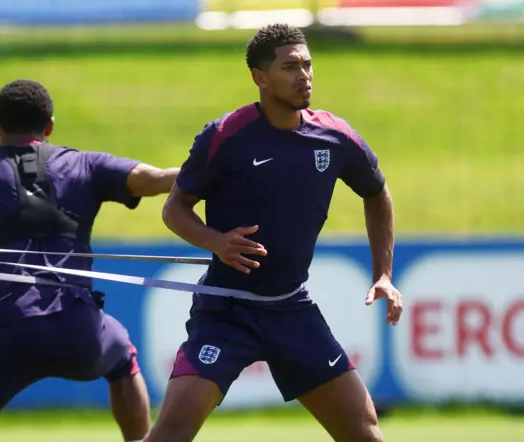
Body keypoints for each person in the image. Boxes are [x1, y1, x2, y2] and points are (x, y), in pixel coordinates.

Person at [148, 24, 403, 442]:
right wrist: (216, 242)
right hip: (226, 313)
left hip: (291, 311)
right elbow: (174, 208)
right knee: (171, 433)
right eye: (290, 67)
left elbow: (378, 195)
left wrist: (384, 274)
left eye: (307, 65)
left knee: (365, 433)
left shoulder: (335, 136)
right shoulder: (225, 135)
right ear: (260, 77)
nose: (304, 76)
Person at [0, 79, 179, 442]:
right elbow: (158, 179)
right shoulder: (87, 164)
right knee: (122, 357)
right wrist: (221, 173)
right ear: (50, 126)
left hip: (8, 335)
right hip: (79, 332)